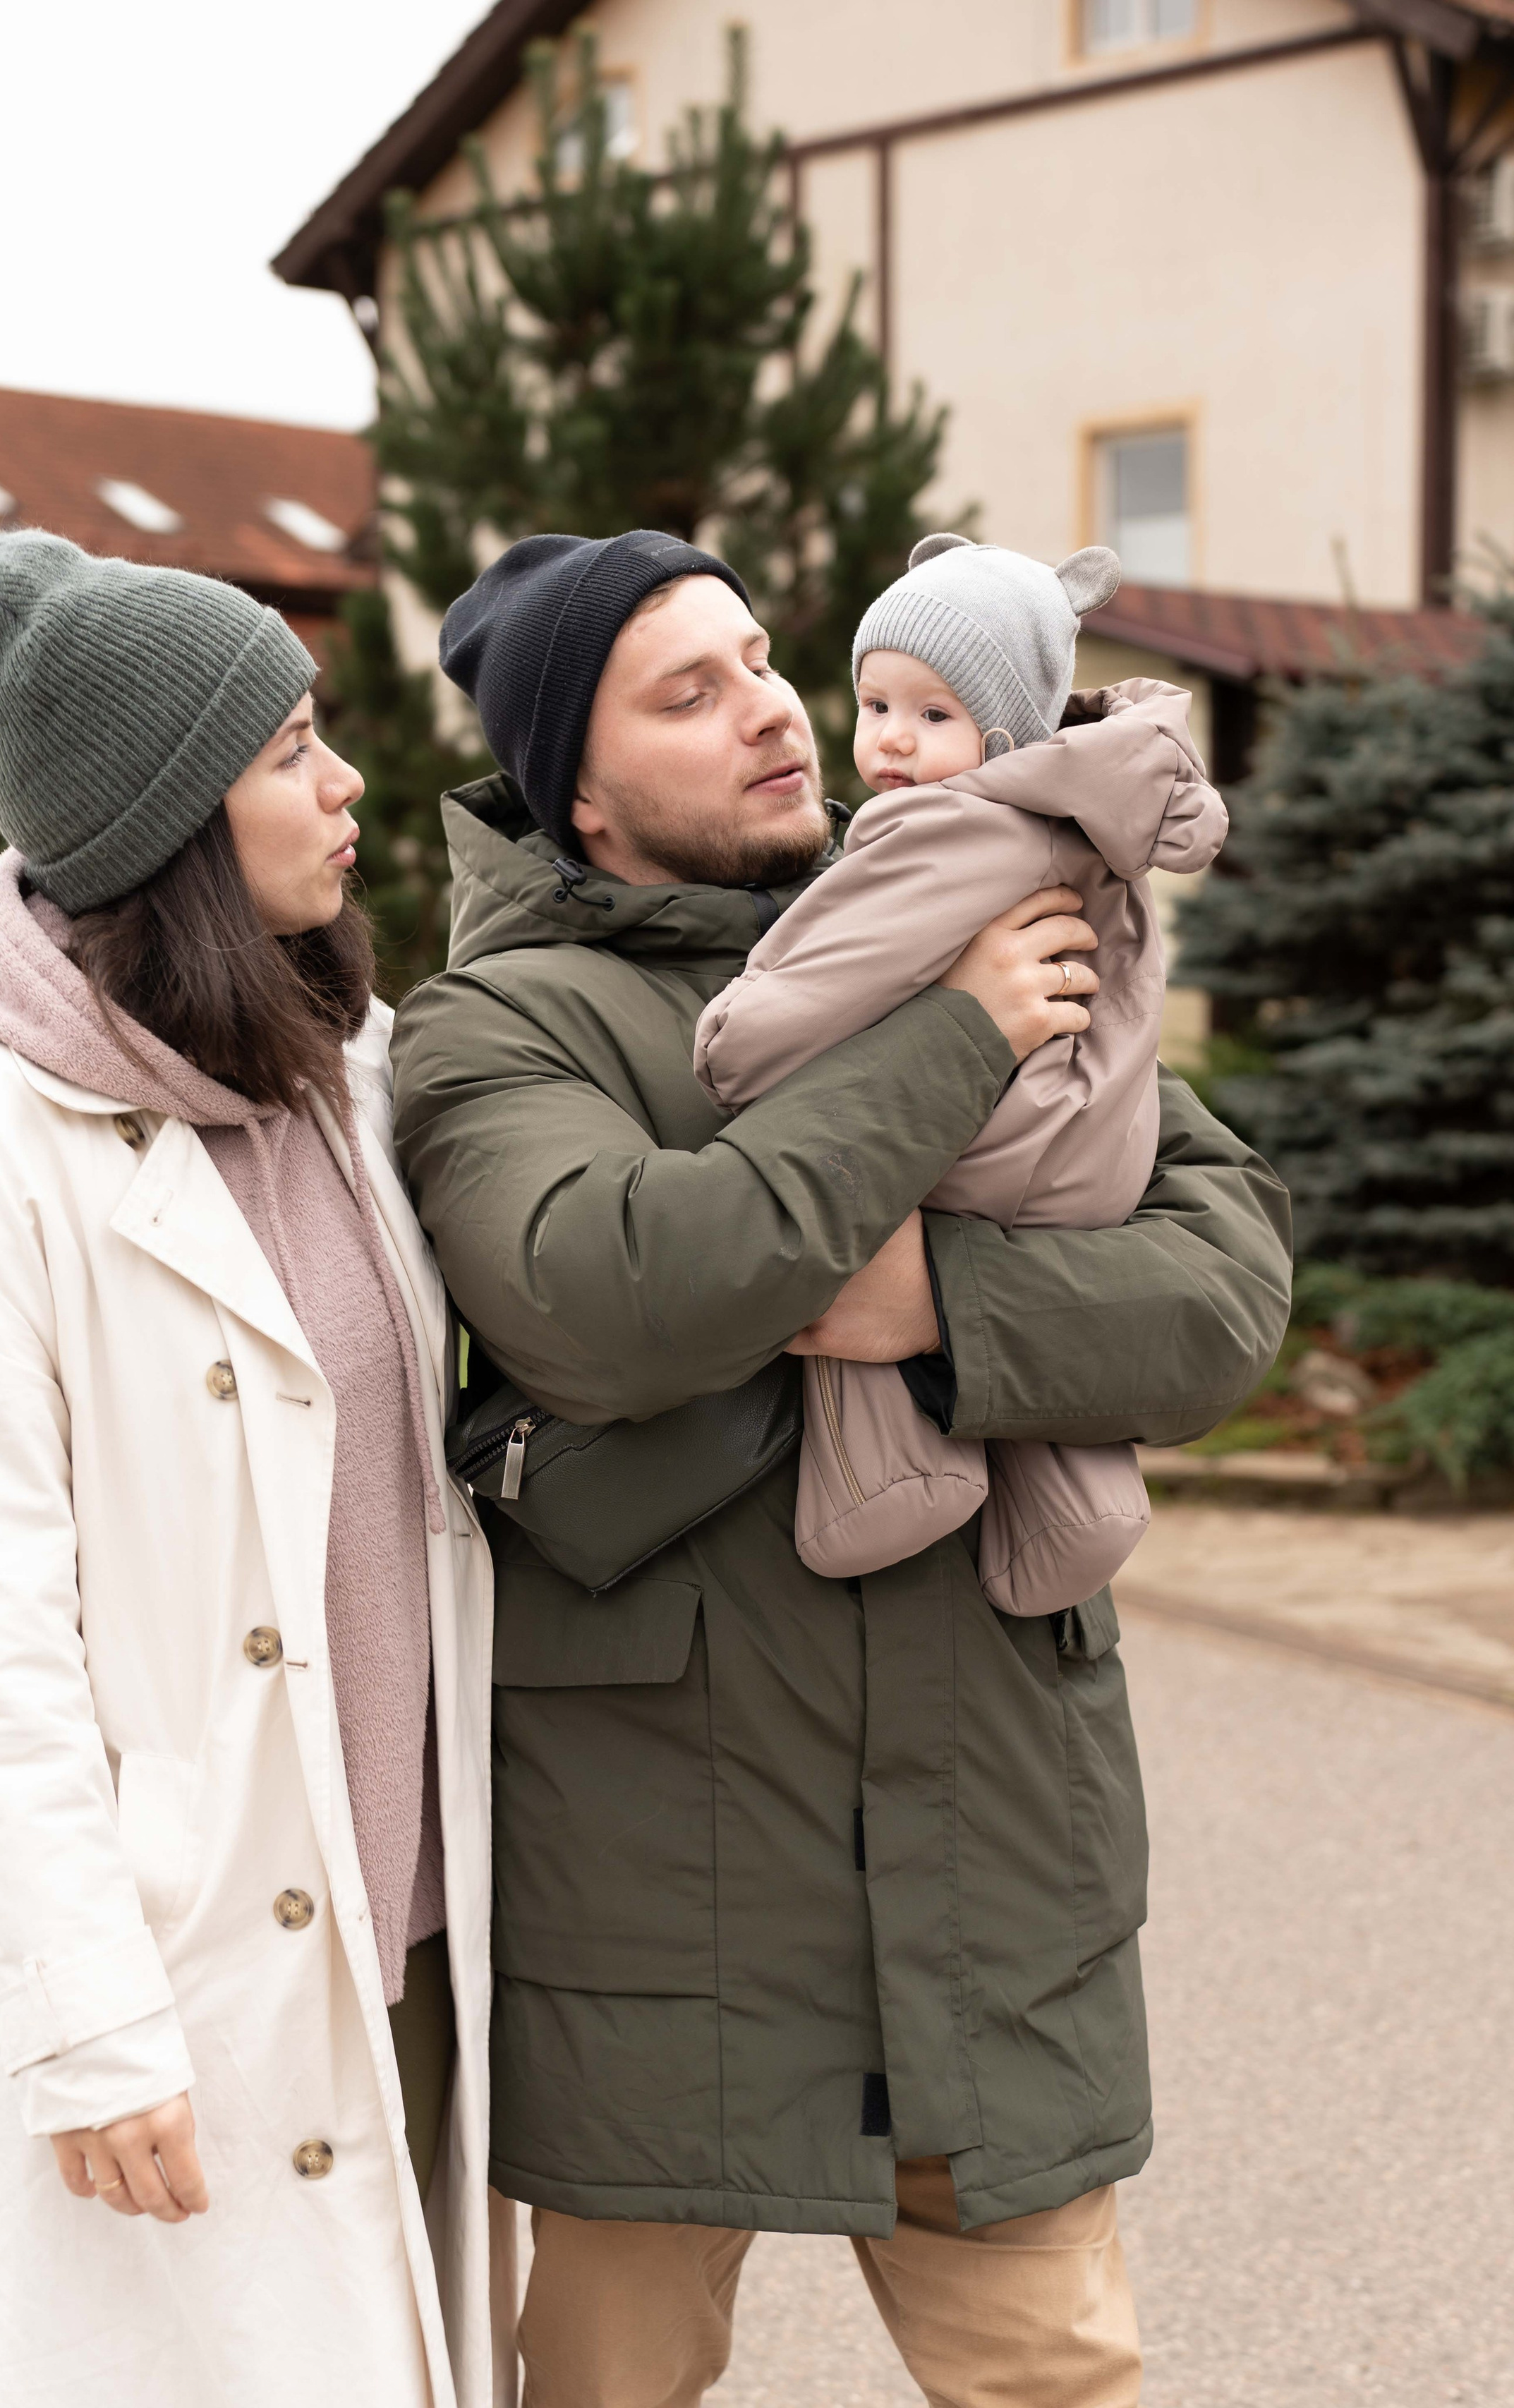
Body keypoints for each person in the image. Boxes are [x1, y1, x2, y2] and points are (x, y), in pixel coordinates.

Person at [389, 528, 1292, 2408]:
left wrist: (938, 1300)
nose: (776, 711)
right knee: (608, 2384)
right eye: (688, 690)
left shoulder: (991, 882)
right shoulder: (506, 1021)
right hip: (661, 1894)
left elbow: (1220, 1287)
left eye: (763, 658)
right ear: (576, 782)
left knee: (1057, 2378)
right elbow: (611, 1292)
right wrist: (959, 1030)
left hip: (987, 1872)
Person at [0, 532, 494, 2408]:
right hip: (173, 1965)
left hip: (401, 1930)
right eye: (291, 748)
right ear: (175, 818)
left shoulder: (336, 1074)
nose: (347, 778)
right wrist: (86, 2022)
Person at [694, 532, 1228, 1614]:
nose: (891, 742)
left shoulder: (951, 826)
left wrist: (731, 1037)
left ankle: (893, 1471)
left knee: (856, 1176)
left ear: (1001, 731)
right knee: (998, 1280)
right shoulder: (1086, 816)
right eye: (877, 705)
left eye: (933, 716)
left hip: (995, 1140)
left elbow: (831, 972)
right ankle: (1084, 1500)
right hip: (1092, 1152)